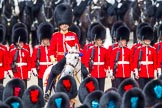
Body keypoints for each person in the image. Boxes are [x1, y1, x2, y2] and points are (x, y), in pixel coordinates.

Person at [31, 22, 53, 91]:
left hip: (50, 70)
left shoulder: (52, 48)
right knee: (40, 87)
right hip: (41, 71)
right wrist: (33, 69)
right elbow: (33, 60)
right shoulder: (37, 48)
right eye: (45, 39)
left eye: (47, 39)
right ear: (41, 39)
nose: (46, 41)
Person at [85, 24, 108, 91]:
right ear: (95, 40)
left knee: (101, 89)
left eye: (101, 40)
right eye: (98, 40)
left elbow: (106, 61)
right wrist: (88, 72)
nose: (99, 42)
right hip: (93, 72)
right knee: (93, 90)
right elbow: (87, 61)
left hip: (101, 72)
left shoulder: (105, 50)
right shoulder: (90, 49)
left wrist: (106, 70)